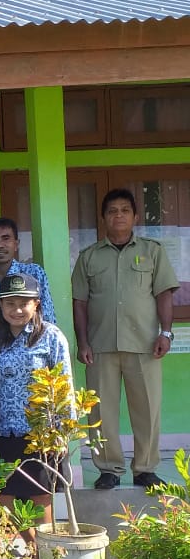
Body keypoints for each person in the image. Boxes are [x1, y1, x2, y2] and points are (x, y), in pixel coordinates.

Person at [73, 188, 179, 490]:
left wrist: (166, 333)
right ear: (104, 218)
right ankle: (109, 468)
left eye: (124, 210)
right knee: (101, 412)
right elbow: (80, 302)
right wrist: (83, 342)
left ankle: (145, 468)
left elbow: (163, 295)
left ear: (134, 216)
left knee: (147, 409)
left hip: (145, 345)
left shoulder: (152, 251)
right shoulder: (88, 257)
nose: (118, 215)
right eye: (112, 211)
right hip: (100, 346)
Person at [0, 273, 73, 538]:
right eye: (9, 304)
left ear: (36, 303)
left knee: (39, 501)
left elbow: (65, 388)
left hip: (39, 436)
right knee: (3, 498)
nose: (16, 310)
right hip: (3, 432)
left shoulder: (50, 336)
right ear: (0, 306)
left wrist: (62, 435)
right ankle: (26, 553)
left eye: (23, 303)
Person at [0, 217, 56, 325]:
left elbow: (48, 319)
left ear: (16, 244)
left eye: (6, 238)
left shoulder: (34, 274)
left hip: (33, 341)